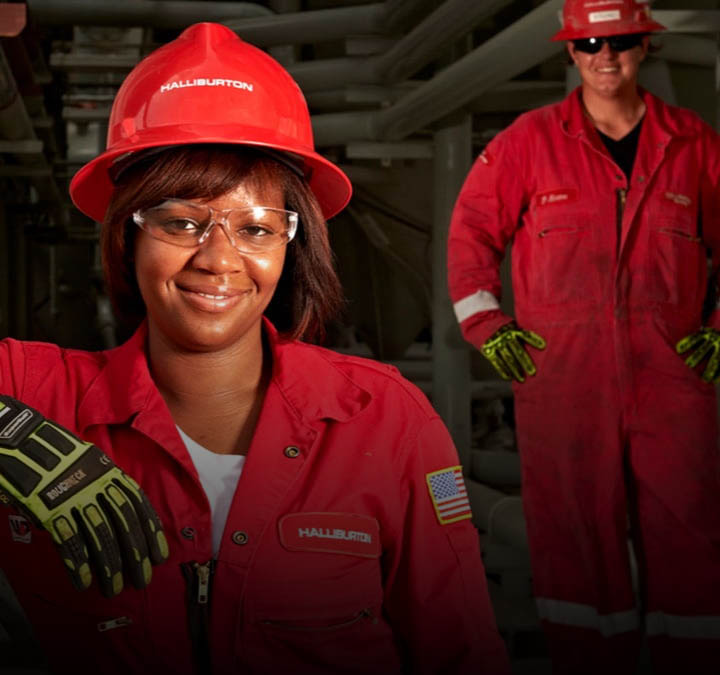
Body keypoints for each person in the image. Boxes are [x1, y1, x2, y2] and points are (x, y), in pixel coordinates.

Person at [0, 22, 510, 675]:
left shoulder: (389, 421)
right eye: (181, 221)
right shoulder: (37, 394)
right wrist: (9, 429)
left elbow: (461, 655)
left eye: (257, 228)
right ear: (128, 234)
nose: (218, 259)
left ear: (292, 245)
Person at [447, 1, 720, 674]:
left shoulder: (694, 144)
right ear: (571, 51)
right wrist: (488, 324)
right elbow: (471, 233)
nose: (606, 56)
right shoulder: (526, 142)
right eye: (590, 43)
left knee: (690, 538)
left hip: (672, 384)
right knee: (573, 542)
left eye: (620, 41)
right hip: (563, 384)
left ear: (643, 46)